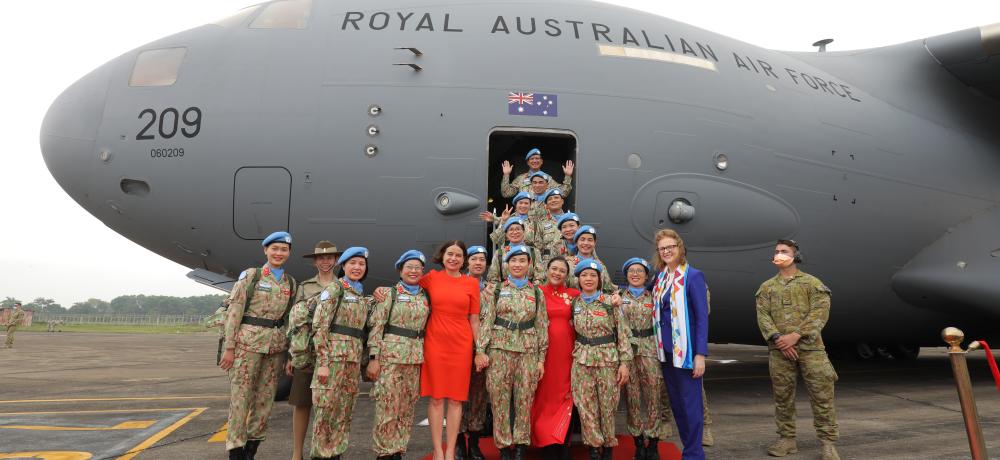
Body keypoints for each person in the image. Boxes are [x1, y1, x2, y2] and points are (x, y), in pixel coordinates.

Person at [756, 240, 839, 460]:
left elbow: (820, 313)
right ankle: (786, 440)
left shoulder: (812, 284)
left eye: (784, 251)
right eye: (776, 252)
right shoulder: (766, 288)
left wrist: (795, 336)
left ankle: (827, 443)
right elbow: (763, 317)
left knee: (822, 397)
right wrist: (779, 340)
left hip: (812, 350)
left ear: (795, 256)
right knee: (783, 398)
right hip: (780, 351)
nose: (779, 254)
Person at [218, 231, 298, 460]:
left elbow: (289, 320)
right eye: (275, 249)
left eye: (283, 250)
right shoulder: (251, 277)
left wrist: (290, 353)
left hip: (275, 349)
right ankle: (235, 450)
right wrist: (230, 348)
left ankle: (252, 449)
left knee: (264, 402)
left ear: (288, 253)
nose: (279, 253)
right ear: (266, 250)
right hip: (247, 346)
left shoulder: (290, 283)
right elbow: (235, 313)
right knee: (240, 399)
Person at [475, 245, 549, 460]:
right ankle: (503, 446)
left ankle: (520, 447)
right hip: (499, 351)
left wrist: (541, 359)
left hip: (527, 352)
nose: (518, 265)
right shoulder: (496, 290)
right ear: (507, 264)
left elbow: (542, 326)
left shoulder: (536, 292)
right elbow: (486, 322)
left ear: (529, 265)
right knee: (499, 401)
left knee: (524, 401)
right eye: (514, 261)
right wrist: (481, 350)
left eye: (522, 261)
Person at [419, 241, 482, 460]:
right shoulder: (431, 278)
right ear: (442, 256)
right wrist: (381, 291)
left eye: (458, 255)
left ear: (464, 260)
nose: (453, 258)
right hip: (435, 342)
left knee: (456, 400)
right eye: (449, 254)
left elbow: (474, 320)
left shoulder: (471, 283)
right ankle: (437, 450)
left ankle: (450, 451)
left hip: (461, 345)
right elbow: (407, 285)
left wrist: (480, 349)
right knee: (436, 398)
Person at [367, 250, 432, 460]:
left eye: (417, 267)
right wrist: (374, 359)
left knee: (406, 408)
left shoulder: (426, 296)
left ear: (422, 270)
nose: (413, 271)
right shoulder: (389, 294)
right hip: (390, 358)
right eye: (409, 267)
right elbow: (377, 326)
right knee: (387, 406)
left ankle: (398, 450)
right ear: (400, 270)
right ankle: (384, 452)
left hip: (414, 359)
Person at [651, 229, 709, 460]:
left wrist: (700, 354)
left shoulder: (693, 276)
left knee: (690, 405)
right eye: (662, 248)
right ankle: (689, 448)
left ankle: (694, 454)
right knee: (677, 404)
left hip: (685, 352)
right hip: (666, 352)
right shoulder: (660, 278)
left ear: (679, 248)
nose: (666, 251)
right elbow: (640, 293)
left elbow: (702, 317)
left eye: (670, 247)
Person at [310, 246, 371, 460]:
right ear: (343, 266)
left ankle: (336, 453)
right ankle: (320, 455)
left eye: (361, 264)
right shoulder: (335, 289)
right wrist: (324, 362)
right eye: (352, 263)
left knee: (344, 411)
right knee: (326, 412)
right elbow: (320, 326)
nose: (357, 267)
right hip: (332, 361)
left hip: (352, 363)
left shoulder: (359, 293)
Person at [286, 240, 341, 460]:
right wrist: (291, 354)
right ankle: (297, 453)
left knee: (329, 406)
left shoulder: (343, 286)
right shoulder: (305, 287)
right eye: (321, 258)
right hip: (307, 351)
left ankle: (325, 452)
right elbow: (294, 322)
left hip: (333, 353)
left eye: (329, 258)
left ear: (336, 260)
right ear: (315, 261)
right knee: (302, 403)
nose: (325, 261)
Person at [570, 259, 630, 460]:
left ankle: (608, 447)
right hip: (581, 361)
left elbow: (622, 334)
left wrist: (624, 364)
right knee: (586, 408)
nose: (588, 279)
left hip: (607, 360)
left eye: (593, 276)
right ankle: (594, 448)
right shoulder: (575, 303)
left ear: (599, 279)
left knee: (607, 406)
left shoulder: (609, 302)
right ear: (578, 279)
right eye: (584, 275)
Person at [530, 256, 580, 459]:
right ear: (547, 270)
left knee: (564, 397)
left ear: (567, 275)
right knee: (543, 397)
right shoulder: (536, 293)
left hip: (567, 354)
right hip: (542, 354)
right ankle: (546, 443)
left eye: (562, 270)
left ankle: (562, 443)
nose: (557, 273)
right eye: (554, 268)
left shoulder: (574, 295)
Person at [620, 258, 666, 459]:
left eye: (640, 271)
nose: (635, 274)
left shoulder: (655, 297)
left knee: (653, 397)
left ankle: (653, 442)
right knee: (632, 399)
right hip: (628, 351)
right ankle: (638, 441)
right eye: (631, 271)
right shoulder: (618, 298)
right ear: (626, 275)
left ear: (647, 276)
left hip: (650, 350)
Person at [459, 245, 491, 460]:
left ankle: (476, 444)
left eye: (482, 259)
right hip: (459, 348)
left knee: (479, 398)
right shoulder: (458, 285)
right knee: (458, 397)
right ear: (467, 263)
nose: (478, 262)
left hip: (482, 351)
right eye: (474, 259)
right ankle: (460, 443)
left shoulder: (491, 289)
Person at [486, 218, 545, 284]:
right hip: (505, 292)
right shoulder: (499, 253)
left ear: (523, 231)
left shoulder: (534, 252)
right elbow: (493, 278)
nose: (515, 232)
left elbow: (540, 277)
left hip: (529, 292)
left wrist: (532, 291)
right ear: (506, 234)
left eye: (518, 229)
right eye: (511, 230)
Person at [500, 147, 574, 198]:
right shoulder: (521, 178)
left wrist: (567, 175)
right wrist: (506, 175)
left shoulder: (547, 178)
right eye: (532, 159)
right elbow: (506, 193)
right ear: (528, 163)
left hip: (542, 218)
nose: (535, 161)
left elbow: (563, 193)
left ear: (541, 162)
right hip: (525, 218)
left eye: (537, 158)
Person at [566, 226, 615, 293]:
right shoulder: (567, 264)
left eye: (590, 240)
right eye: (582, 239)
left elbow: (609, 290)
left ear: (595, 243)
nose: (586, 243)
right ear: (577, 242)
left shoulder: (600, 266)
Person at [534, 189, 569, 267]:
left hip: (568, 262)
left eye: (556, 197)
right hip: (548, 264)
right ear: (546, 205)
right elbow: (537, 248)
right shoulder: (541, 223)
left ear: (562, 201)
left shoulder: (571, 221)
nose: (553, 200)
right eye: (550, 199)